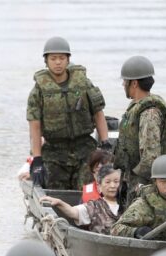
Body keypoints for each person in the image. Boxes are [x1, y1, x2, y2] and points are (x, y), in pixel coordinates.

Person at [27, 36, 110, 190]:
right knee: (53, 191)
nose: (58, 62)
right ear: (46, 61)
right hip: (54, 152)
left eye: (61, 58)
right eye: (53, 58)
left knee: (90, 189)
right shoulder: (38, 91)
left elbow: (98, 113)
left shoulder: (83, 84)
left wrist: (105, 144)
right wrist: (37, 159)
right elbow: (35, 126)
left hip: (84, 147)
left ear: (68, 59)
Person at [113, 55, 166, 205]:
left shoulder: (149, 113)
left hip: (146, 186)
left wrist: (134, 181)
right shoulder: (138, 106)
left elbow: (150, 160)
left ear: (134, 83)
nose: (122, 84)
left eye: (124, 81)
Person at [111, 155, 166, 242]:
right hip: (154, 253)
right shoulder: (144, 205)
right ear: (155, 182)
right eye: (163, 181)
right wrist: (136, 232)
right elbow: (116, 229)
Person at [41, 164, 122, 235]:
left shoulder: (129, 204)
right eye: (108, 182)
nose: (112, 186)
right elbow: (73, 212)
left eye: (116, 182)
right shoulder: (94, 206)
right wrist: (60, 203)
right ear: (99, 186)